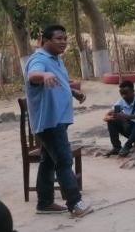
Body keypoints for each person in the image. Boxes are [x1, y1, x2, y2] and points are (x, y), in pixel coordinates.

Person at [24, 24, 92, 217]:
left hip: (58, 119)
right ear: (45, 41)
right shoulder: (39, 59)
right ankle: (75, 204)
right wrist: (44, 74)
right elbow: (33, 75)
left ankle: (45, 203)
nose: (63, 42)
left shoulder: (56, 59)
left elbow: (59, 81)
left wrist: (73, 92)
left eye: (65, 38)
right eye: (58, 39)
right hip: (49, 122)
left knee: (48, 161)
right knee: (64, 160)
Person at [104, 80, 135, 157]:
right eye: (121, 94)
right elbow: (108, 114)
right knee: (112, 121)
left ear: (133, 91)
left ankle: (128, 145)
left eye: (126, 93)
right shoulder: (121, 101)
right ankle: (116, 147)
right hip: (131, 131)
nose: (123, 96)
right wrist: (111, 117)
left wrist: (126, 117)